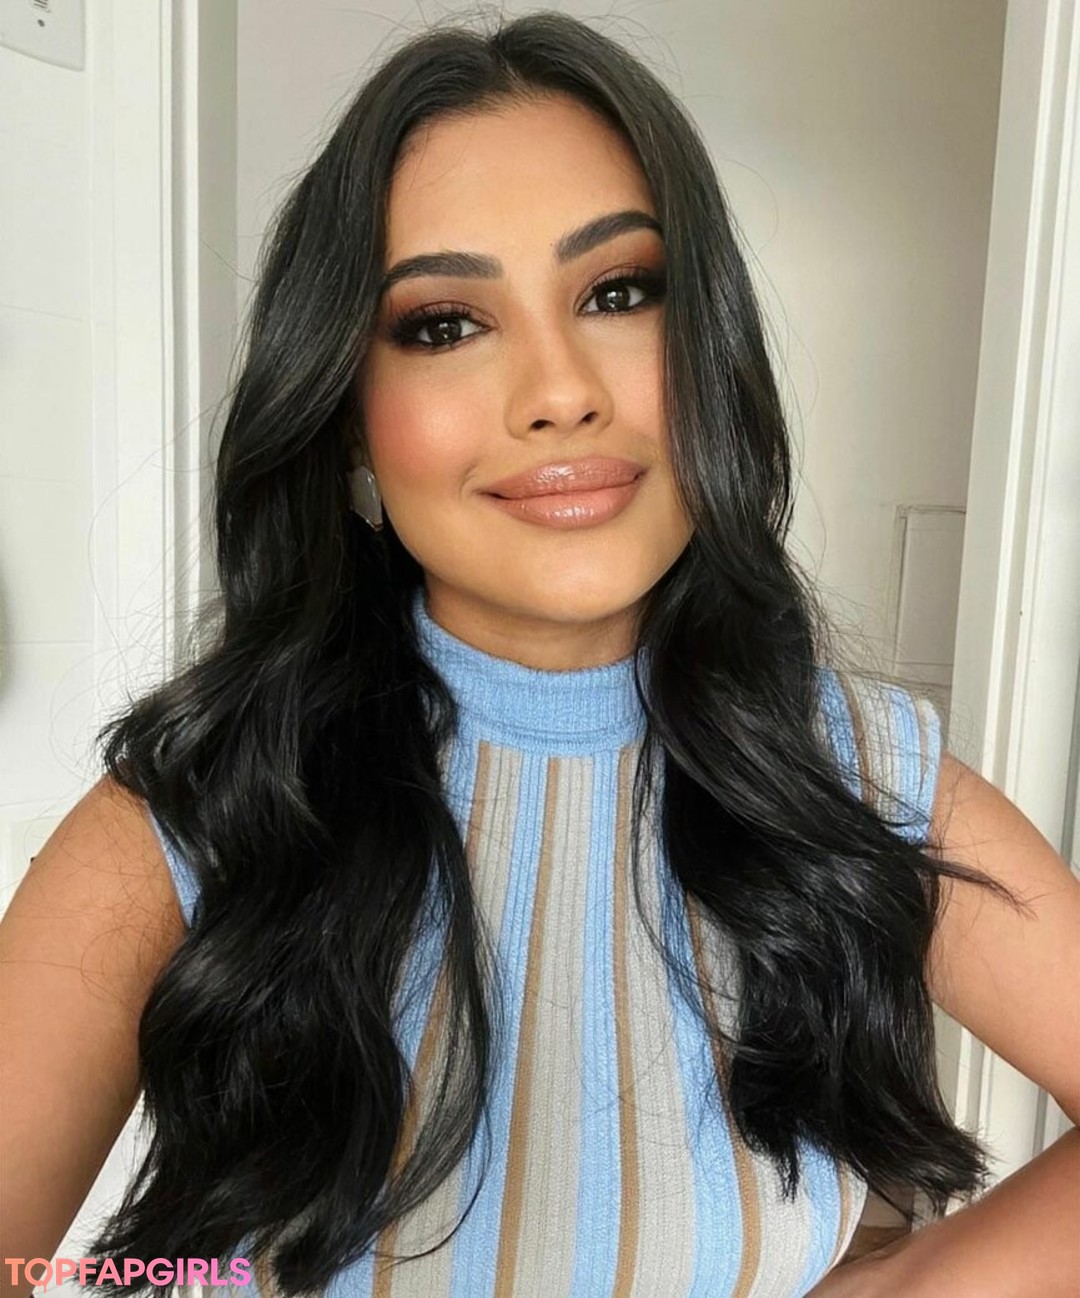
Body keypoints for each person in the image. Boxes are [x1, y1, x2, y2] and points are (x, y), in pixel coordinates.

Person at [1, 11, 1077, 1298]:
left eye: (618, 292)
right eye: (445, 322)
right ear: (347, 422)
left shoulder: (858, 774)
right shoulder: (192, 817)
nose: (560, 391)